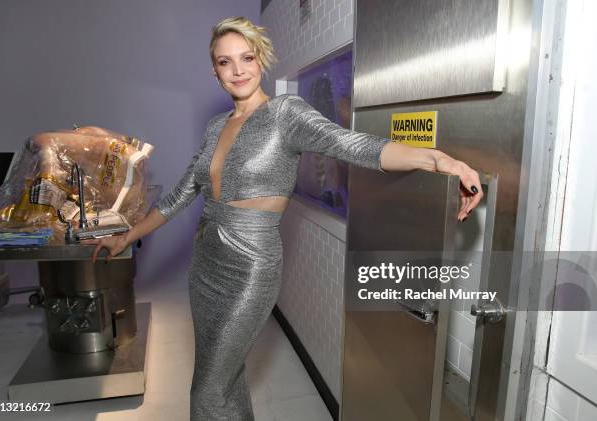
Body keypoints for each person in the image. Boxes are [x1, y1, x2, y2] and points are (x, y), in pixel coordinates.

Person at [81, 16, 483, 420]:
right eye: (225, 62)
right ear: (214, 71)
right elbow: (182, 193)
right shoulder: (216, 125)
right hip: (205, 264)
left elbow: (355, 145)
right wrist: (127, 235)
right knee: (226, 375)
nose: (237, 70)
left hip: (252, 265)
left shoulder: (286, 114)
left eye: (246, 58)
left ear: (261, 62)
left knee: (208, 387)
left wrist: (440, 160)